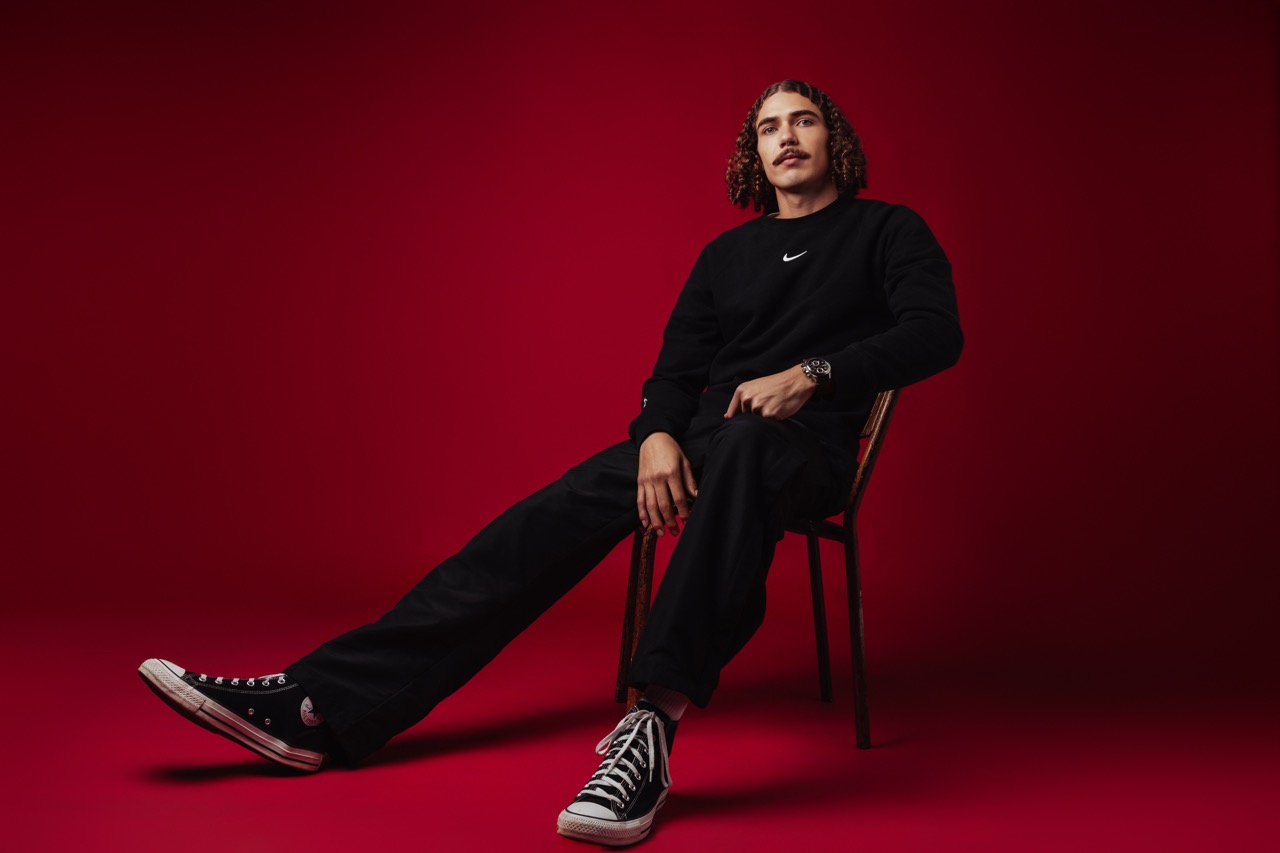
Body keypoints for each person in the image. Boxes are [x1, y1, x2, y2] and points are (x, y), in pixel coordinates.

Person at [138, 79, 963, 846]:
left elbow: (936, 333)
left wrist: (813, 374)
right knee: (543, 521)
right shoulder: (725, 255)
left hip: (804, 451)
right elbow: (675, 373)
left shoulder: (888, 230)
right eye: (768, 127)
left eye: (803, 120)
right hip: (701, 445)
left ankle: (650, 726)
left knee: (747, 446)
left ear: (832, 139)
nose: (786, 137)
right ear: (754, 152)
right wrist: (655, 436)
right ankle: (319, 704)